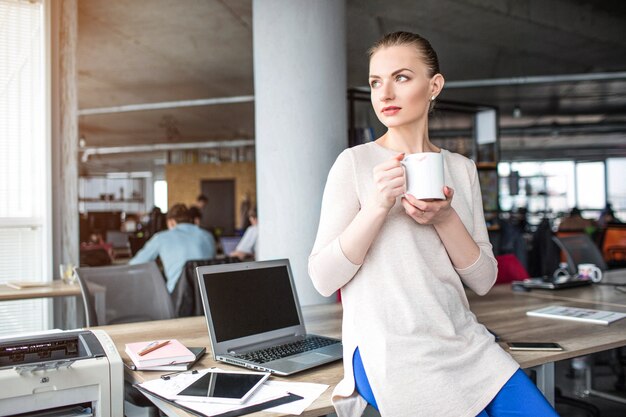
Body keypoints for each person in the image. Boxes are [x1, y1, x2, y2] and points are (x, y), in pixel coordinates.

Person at [308, 32, 558, 417]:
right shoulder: (354, 163)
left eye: (401, 78)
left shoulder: (461, 169)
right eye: (376, 82)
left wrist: (445, 217)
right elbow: (323, 279)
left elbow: (484, 279)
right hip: (387, 348)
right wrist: (376, 207)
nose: (385, 93)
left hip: (464, 340)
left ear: (434, 85)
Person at [129, 203, 216, 292]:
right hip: (207, 296)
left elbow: (135, 264)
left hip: (178, 299)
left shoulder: (161, 238)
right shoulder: (208, 236)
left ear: (171, 222)